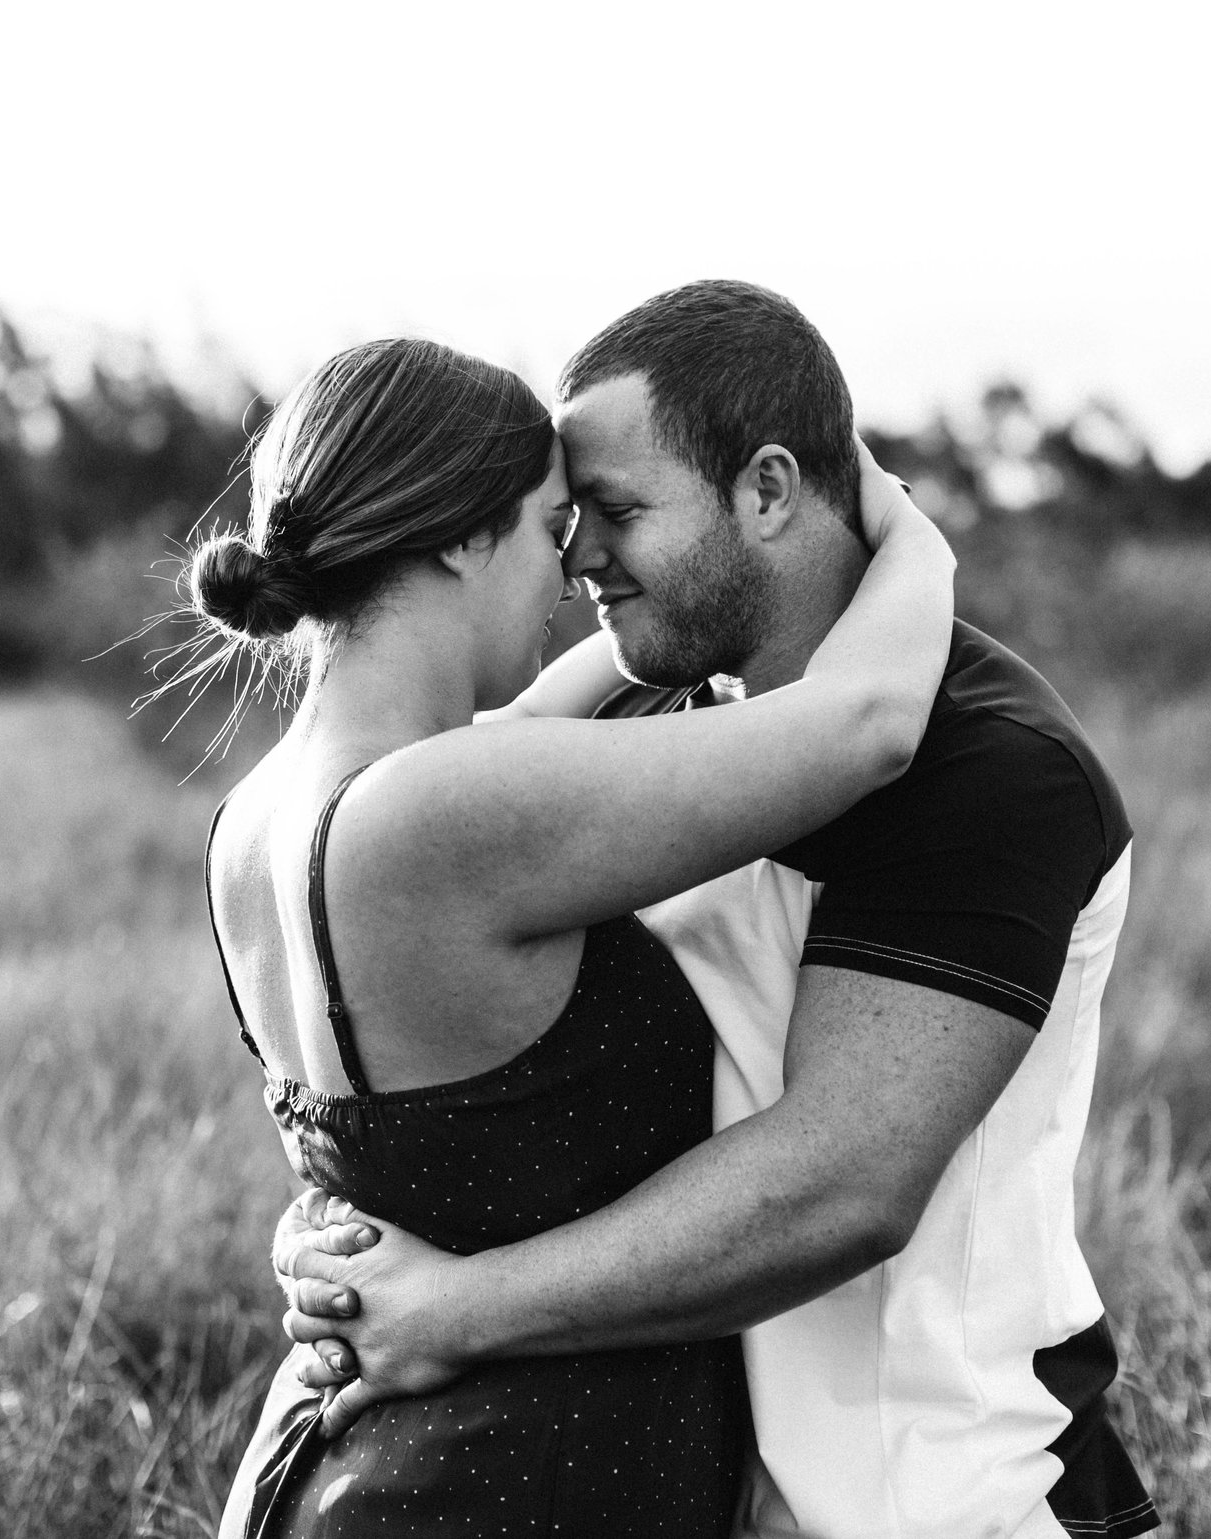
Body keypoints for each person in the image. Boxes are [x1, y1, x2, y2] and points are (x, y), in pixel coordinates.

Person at [272, 283, 1161, 1539]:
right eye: (568, 517)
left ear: (768, 488)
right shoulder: (648, 718)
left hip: (934, 1490)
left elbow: (841, 1184)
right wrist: (353, 1220)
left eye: (619, 512)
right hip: (676, 1483)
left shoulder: (989, 769)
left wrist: (447, 1307)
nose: (579, 556)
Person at [186, 334, 958, 1536]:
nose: (567, 576)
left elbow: (547, 712)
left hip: (335, 1458)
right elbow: (865, 725)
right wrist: (899, 521)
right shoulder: (447, 811)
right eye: (552, 529)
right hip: (520, 1476)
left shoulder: (258, 818)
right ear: (454, 535)